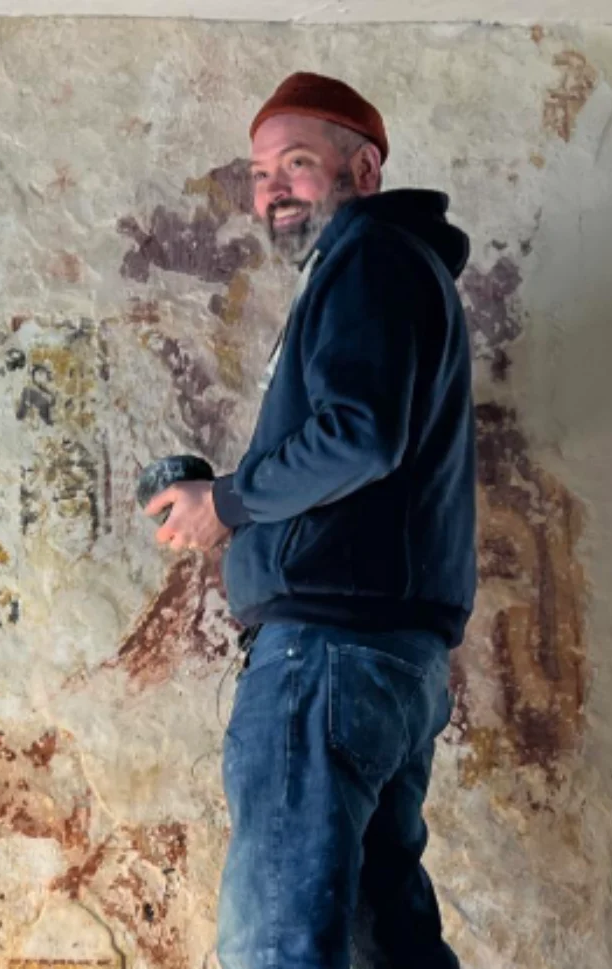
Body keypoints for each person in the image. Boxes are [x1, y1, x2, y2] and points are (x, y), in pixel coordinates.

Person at [144, 72, 477, 969]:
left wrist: (230, 501)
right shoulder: (402, 269)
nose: (273, 189)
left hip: (326, 658)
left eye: (298, 163)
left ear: (362, 170)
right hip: (392, 662)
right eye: (260, 174)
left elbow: (357, 438)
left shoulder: (366, 259)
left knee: (280, 945)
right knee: (386, 943)